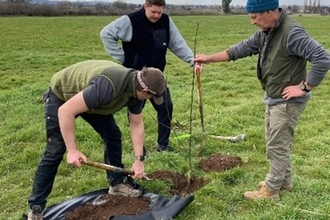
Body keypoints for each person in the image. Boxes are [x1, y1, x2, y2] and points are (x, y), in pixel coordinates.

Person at [194, 0, 330, 200]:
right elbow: (240, 49)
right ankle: (283, 182)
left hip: (287, 103)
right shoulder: (267, 32)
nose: (252, 22)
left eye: (254, 17)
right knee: (276, 142)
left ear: (268, 12)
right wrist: (209, 58)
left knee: (276, 145)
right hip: (275, 98)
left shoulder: (291, 33)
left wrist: (304, 87)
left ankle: (271, 190)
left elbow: (322, 57)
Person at [27, 60, 166, 220]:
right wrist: (72, 150)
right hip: (63, 96)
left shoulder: (137, 93)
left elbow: (136, 125)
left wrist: (138, 159)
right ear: (144, 89)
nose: (149, 100)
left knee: (112, 135)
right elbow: (65, 111)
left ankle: (117, 183)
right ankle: (36, 208)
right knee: (55, 150)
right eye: (151, 96)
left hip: (93, 100)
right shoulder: (108, 87)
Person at [100, 0, 194, 153]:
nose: (157, 15)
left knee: (166, 108)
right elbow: (106, 34)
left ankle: (163, 146)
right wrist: (123, 58)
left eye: (160, 12)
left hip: (156, 78)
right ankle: (140, 149)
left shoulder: (166, 21)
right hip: (135, 80)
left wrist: (191, 59)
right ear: (145, 6)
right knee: (135, 113)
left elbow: (178, 44)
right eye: (153, 12)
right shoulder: (129, 21)